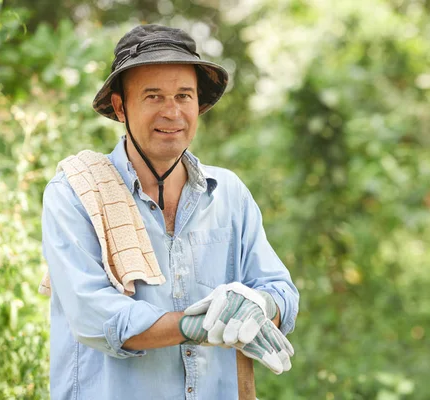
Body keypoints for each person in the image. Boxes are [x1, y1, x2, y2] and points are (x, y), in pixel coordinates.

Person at [41, 24, 299, 399]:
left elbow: (281, 293)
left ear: (199, 104)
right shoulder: (76, 193)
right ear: (120, 106)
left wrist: (260, 305)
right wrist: (196, 325)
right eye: (153, 96)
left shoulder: (229, 195)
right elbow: (94, 316)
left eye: (183, 95)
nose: (172, 111)